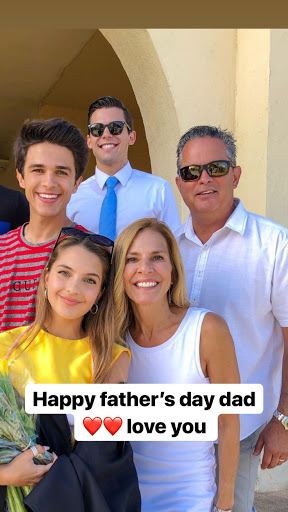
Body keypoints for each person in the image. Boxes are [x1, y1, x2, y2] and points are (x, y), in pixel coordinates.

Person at [174, 125, 288, 512]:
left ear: (235, 175)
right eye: (192, 172)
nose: (204, 178)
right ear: (179, 183)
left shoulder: (273, 244)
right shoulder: (167, 249)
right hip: (174, 423)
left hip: (241, 425)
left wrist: (283, 420)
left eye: (216, 167)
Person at [0, 228, 141, 512]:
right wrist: (6, 474)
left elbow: (102, 457)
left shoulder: (111, 358)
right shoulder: (6, 348)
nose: (73, 288)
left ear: (100, 293)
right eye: (64, 273)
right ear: (46, 277)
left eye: (89, 280)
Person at [111, 217, 240, 512]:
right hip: (125, 498)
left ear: (173, 270)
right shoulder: (113, 339)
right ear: (120, 272)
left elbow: (228, 421)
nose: (145, 268)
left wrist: (225, 504)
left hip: (191, 499)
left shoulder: (206, 329)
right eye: (132, 259)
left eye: (157, 257)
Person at [0, 118, 88, 332]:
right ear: (21, 177)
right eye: (38, 170)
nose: (49, 182)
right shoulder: (1, 249)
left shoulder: (94, 252)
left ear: (77, 182)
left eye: (61, 172)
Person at [67, 96, 180, 239]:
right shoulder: (73, 196)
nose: (106, 134)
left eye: (116, 127)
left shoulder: (158, 190)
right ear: (89, 141)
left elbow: (173, 249)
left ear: (131, 137)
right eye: (97, 129)